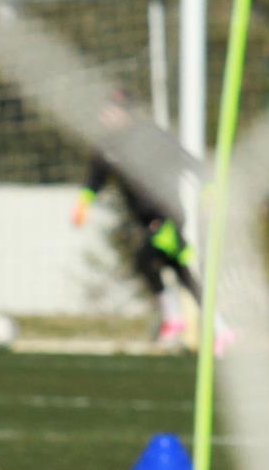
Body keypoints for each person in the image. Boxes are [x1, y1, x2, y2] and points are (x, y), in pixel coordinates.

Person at [71, 92, 210, 350]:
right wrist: (83, 203)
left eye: (112, 111)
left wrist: (207, 189)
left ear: (125, 113)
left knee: (147, 258)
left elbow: (187, 161)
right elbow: (96, 177)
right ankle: (213, 325)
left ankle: (176, 320)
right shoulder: (108, 146)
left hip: (167, 213)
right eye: (104, 111)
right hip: (146, 219)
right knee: (178, 269)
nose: (105, 116)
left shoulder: (150, 135)